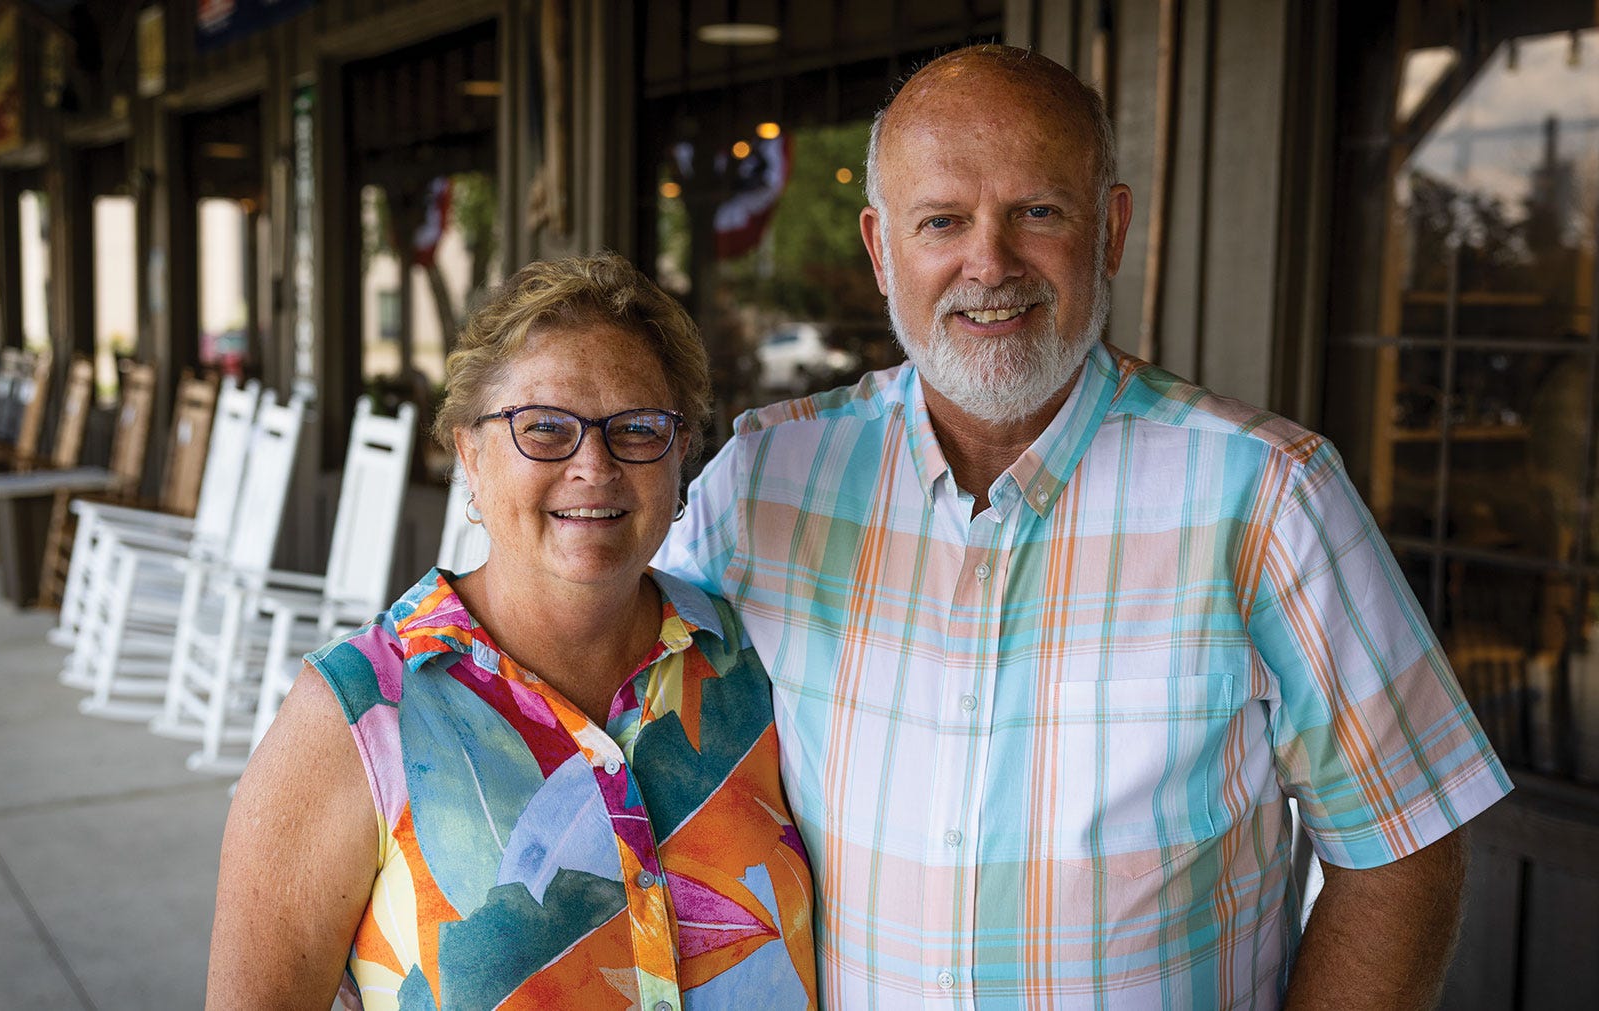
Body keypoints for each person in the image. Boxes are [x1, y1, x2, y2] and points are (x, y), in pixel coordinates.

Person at [657, 44, 1512, 1008]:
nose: (989, 261)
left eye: (1038, 212)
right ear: (880, 247)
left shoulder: (1266, 495)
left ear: (1109, 230)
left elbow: (1407, 843)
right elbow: (618, 732)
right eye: (942, 220)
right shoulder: (765, 482)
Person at [209, 254, 817, 1009]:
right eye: (545, 428)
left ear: (681, 450)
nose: (593, 465)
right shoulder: (361, 712)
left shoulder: (751, 663)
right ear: (470, 451)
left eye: (636, 428)